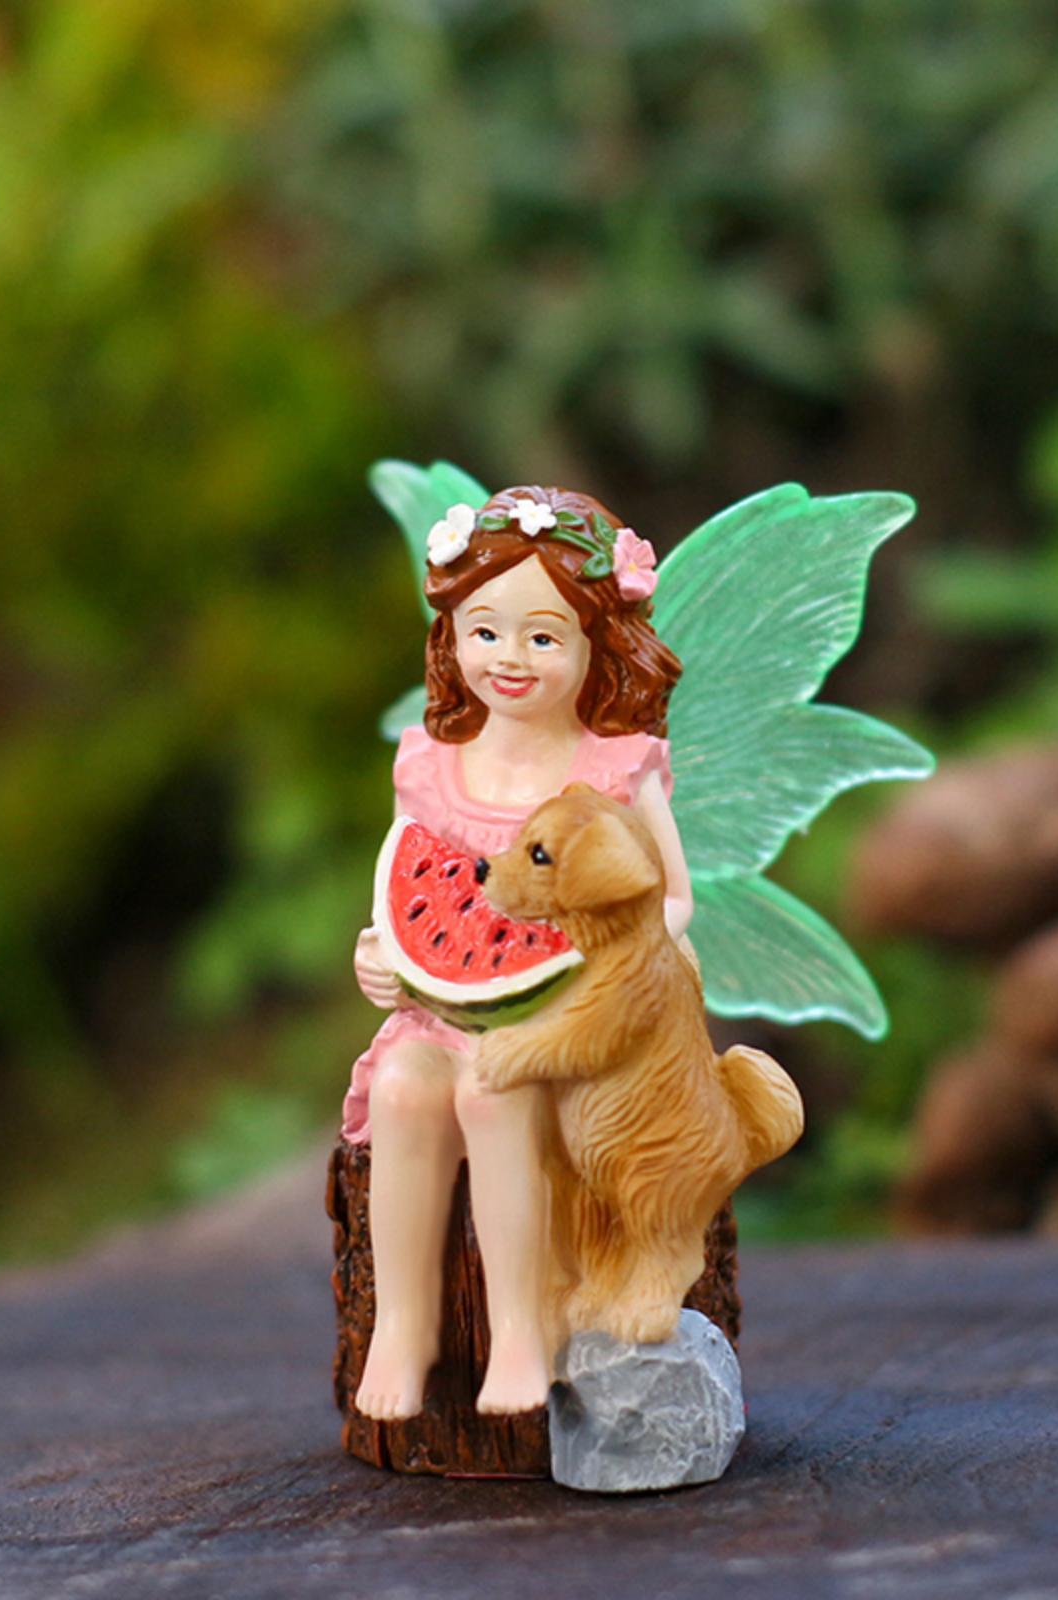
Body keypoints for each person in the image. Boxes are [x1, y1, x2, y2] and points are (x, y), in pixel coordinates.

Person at [346, 485, 689, 1419]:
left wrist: (601, 957)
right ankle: (403, 1326)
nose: (510, 657)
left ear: (595, 646)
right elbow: (404, 892)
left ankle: (521, 1334)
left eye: (543, 637)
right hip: (440, 1017)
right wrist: (380, 958)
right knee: (403, 1089)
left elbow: (674, 898)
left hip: (570, 1027)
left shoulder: (613, 767)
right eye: (485, 631)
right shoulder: (427, 764)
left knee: (492, 1095)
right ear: (451, 636)